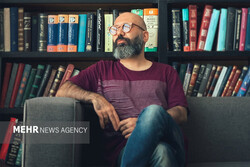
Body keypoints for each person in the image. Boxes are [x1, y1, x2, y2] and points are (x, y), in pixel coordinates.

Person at [56, 12, 188, 167]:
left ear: (145, 36)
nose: (119, 33)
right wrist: (95, 97)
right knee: (162, 152)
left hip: (167, 141)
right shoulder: (102, 69)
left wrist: (145, 125)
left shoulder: (166, 72)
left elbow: (181, 113)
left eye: (126, 27)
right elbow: (63, 90)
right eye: (115, 29)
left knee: (153, 113)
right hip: (122, 152)